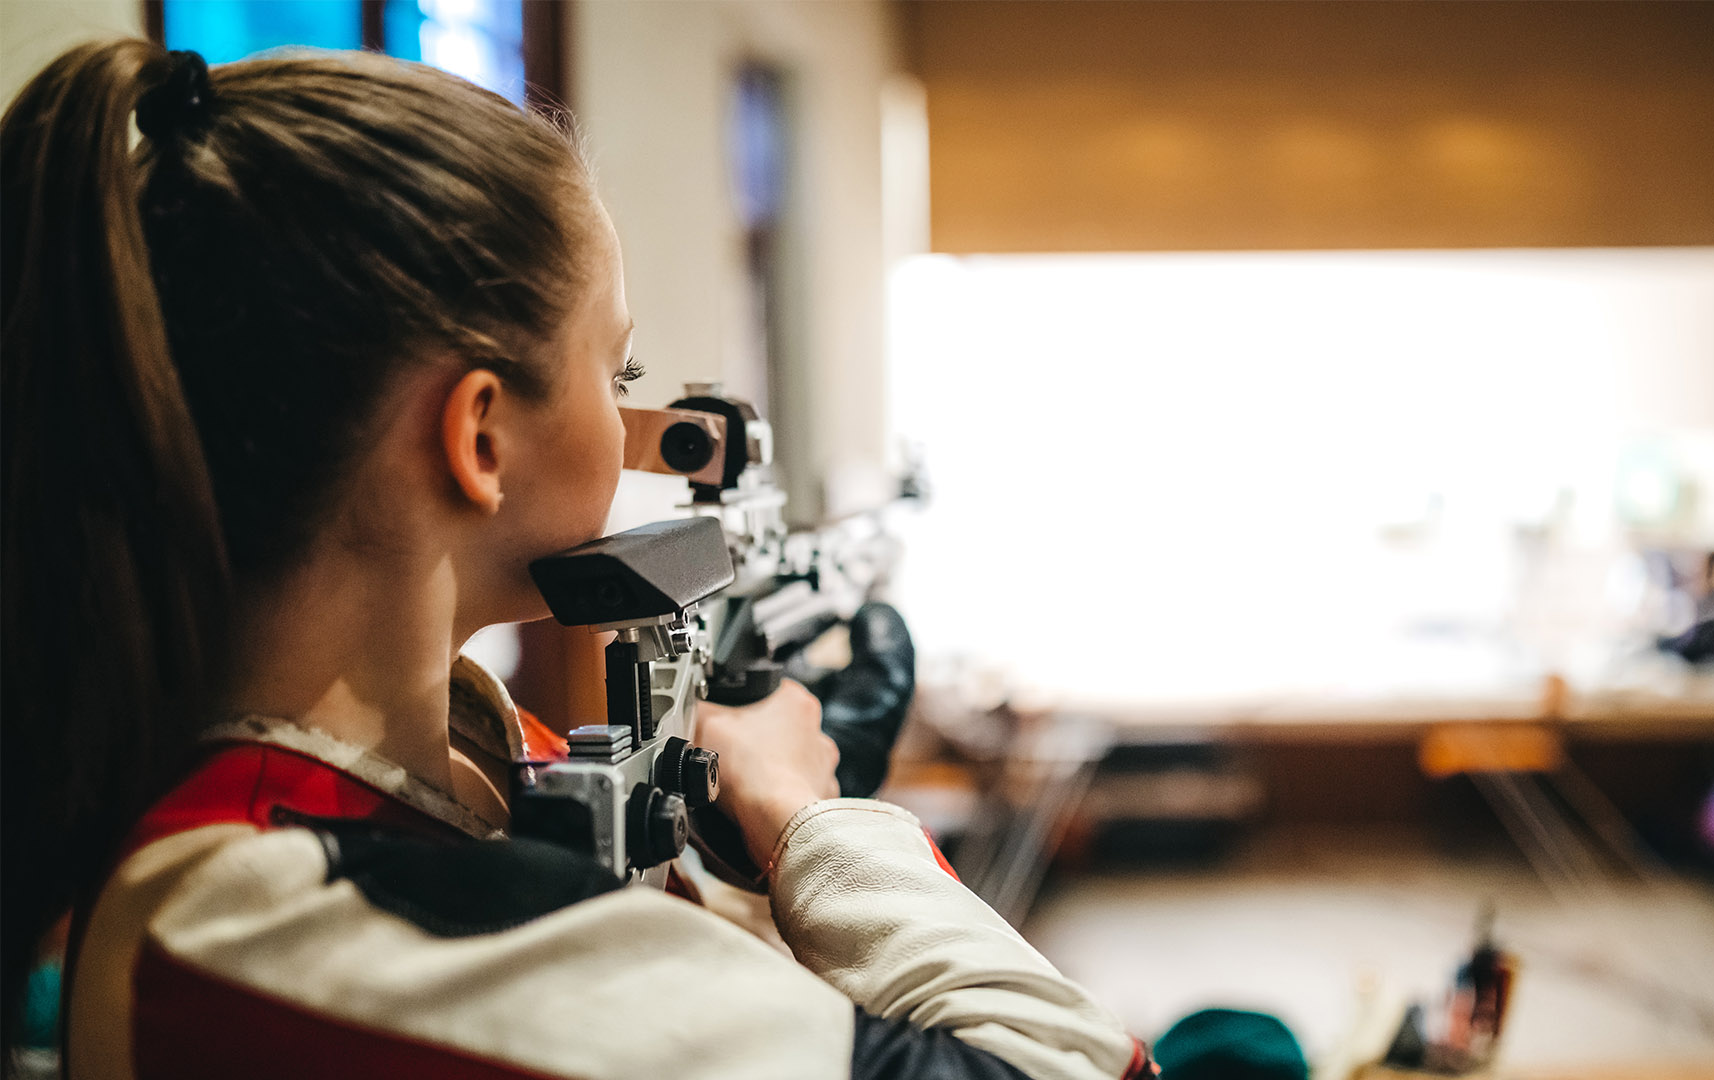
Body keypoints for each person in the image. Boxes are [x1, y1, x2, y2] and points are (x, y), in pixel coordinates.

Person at [0, 39, 1153, 1079]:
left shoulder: (473, 768)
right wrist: (818, 826)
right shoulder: (246, 918)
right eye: (621, 378)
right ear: (481, 437)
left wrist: (735, 845)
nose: (627, 426)